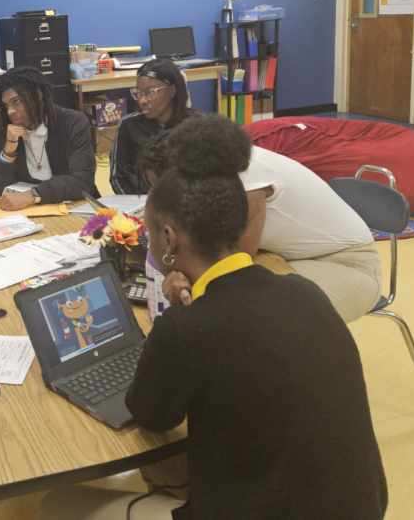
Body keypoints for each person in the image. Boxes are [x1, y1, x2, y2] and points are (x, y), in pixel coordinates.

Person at [40, 169, 387, 519]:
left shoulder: (185, 328)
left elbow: (150, 414)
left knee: (56, 504)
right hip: (362, 508)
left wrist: (174, 324)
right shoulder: (305, 291)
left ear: (169, 239)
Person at [141, 114, 381, 322]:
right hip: (290, 257)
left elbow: (235, 266)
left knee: (241, 310)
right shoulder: (219, 169)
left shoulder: (247, 179)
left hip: (347, 265)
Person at [0, 66, 98, 208]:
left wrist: (33, 195)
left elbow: (82, 181)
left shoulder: (73, 122)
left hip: (74, 206)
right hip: (27, 212)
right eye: (6, 105)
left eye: (16, 102)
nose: (10, 111)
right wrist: (8, 153)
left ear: (38, 95)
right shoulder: (4, 129)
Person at [110, 59, 192, 195]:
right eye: (138, 93)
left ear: (172, 91)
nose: (142, 101)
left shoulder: (196, 126)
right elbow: (118, 178)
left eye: (150, 92)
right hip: (140, 204)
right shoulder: (128, 126)